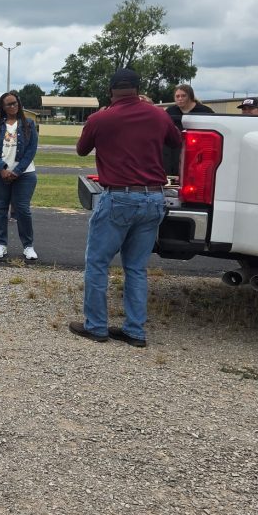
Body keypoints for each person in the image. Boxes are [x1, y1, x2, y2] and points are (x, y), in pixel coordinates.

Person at [70, 68, 180, 348]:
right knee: (136, 268)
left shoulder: (101, 118)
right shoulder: (158, 114)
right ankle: (135, 330)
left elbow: (82, 149)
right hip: (154, 197)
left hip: (119, 196)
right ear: (137, 88)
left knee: (97, 263)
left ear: (111, 91)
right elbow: (176, 141)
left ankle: (96, 325)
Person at [0, 91, 39, 261]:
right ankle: (1, 244)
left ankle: (28, 246)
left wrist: (17, 171)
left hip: (24, 174)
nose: (13, 106)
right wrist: (1, 169)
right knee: (0, 208)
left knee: (22, 209)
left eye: (15, 103)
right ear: (3, 107)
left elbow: (31, 151)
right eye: (9, 104)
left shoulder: (29, 124)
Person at [163, 83, 215, 176]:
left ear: (190, 96)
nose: (180, 98)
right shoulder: (170, 111)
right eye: (177, 96)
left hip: (197, 149)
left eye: (183, 96)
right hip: (175, 149)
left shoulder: (204, 111)